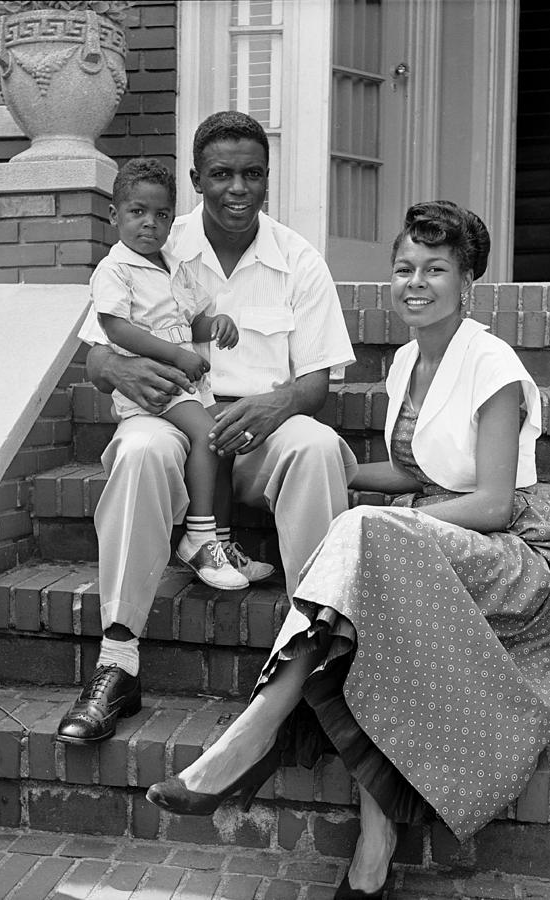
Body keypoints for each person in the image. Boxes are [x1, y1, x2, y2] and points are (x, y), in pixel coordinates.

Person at [146, 201, 550, 899]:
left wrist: (394, 523)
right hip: (435, 532)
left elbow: (496, 502)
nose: (415, 282)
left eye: (435, 269)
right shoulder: (409, 360)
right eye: (404, 268)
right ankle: (374, 847)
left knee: (363, 533)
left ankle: (254, 731)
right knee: (368, 595)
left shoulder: (492, 363)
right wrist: (340, 473)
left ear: (468, 282)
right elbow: (415, 472)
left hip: (506, 553)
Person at [55, 111, 358, 746]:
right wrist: (119, 370)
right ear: (197, 179)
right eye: (221, 174)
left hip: (259, 438)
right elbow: (96, 351)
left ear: (268, 180)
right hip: (177, 419)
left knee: (318, 443)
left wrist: (274, 407)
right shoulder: (153, 237)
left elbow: (318, 384)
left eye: (252, 174)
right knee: (138, 450)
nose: (237, 188)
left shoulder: (298, 260)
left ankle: (313, 656)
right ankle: (118, 661)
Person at [89, 157, 261, 592]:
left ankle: (221, 544)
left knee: (220, 446)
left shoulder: (175, 265)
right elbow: (115, 328)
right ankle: (198, 538)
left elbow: (190, 321)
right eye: (137, 212)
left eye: (162, 214)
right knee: (210, 438)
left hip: (187, 386)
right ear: (114, 216)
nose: (150, 223)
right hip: (156, 386)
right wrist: (176, 356)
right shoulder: (115, 269)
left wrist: (216, 325)